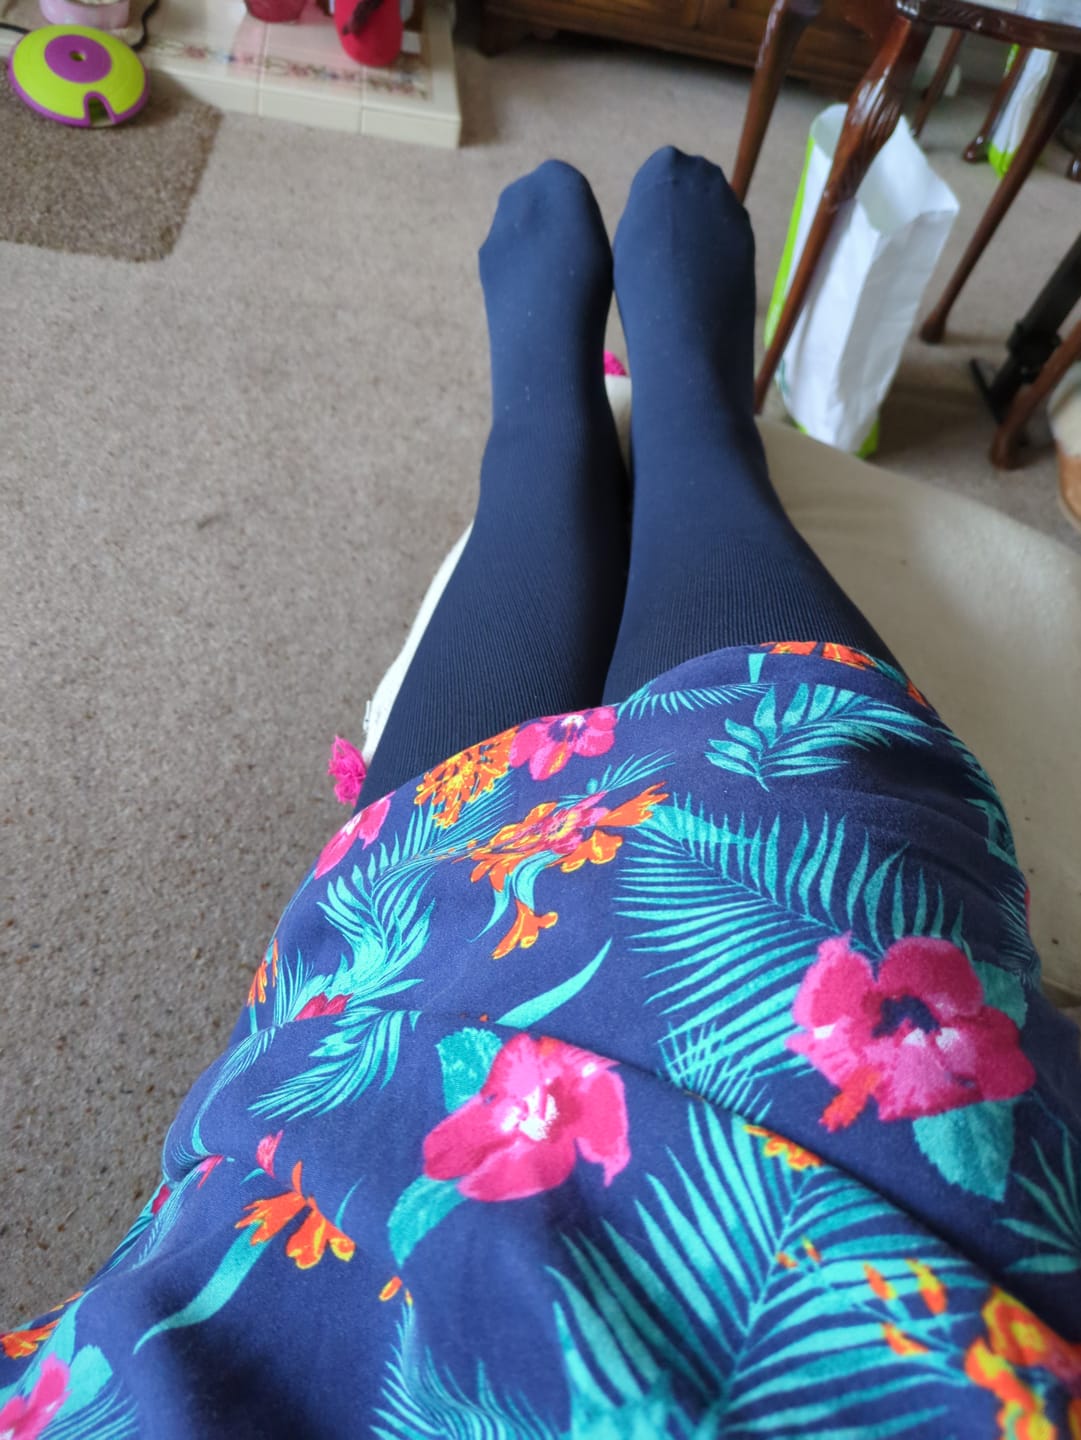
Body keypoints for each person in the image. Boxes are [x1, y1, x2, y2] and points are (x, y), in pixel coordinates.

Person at [2, 149, 1079, 1438]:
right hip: (823, 1018)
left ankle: (556, 416)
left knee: (528, 512)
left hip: (335, 1118)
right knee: (715, 532)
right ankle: (688, 408)